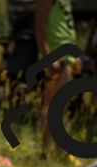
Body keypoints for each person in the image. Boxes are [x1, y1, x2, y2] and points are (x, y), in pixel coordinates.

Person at [35, 0, 81, 155]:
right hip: (56, 55)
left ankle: (47, 151)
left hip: (66, 54)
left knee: (53, 104)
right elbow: (39, 25)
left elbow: (65, 26)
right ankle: (58, 151)